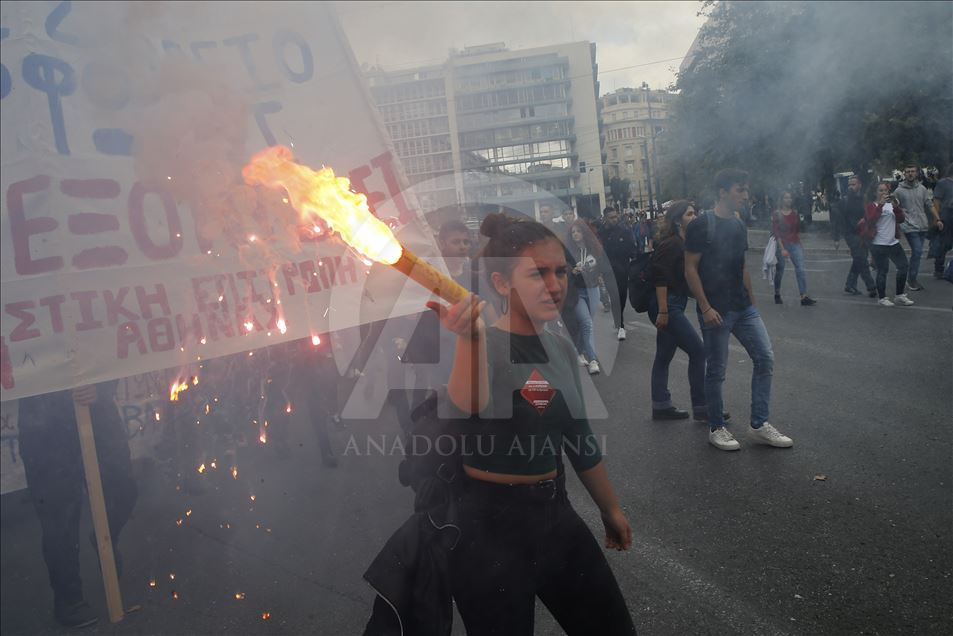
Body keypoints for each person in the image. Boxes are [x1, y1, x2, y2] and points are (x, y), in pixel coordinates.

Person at [421, 213, 637, 634]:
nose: (555, 285)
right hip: (486, 533)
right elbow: (466, 405)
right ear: (502, 284)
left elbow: (579, 438)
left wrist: (609, 509)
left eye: (559, 271)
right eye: (537, 274)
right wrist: (469, 339)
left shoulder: (558, 347)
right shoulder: (484, 342)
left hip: (555, 516)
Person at [684, 169, 794, 452]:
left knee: (765, 358)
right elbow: (690, 269)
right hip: (716, 310)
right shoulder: (701, 225)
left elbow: (742, 265)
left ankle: (758, 425)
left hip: (742, 306)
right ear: (722, 192)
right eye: (739, 190)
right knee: (717, 371)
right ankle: (716, 428)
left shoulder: (738, 224)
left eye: (745, 190)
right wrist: (705, 307)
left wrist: (752, 299)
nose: (745, 195)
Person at [17, 382, 138, 628]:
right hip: (45, 423)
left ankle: (106, 536)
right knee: (59, 514)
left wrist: (102, 389)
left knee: (124, 488)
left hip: (98, 411)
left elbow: (110, 350)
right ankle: (69, 600)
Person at [647, 201, 710, 421]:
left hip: (674, 302)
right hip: (667, 305)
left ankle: (661, 405)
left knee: (664, 355)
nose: (695, 217)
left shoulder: (686, 242)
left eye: (695, 213)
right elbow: (660, 277)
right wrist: (664, 311)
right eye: (690, 214)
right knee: (698, 351)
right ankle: (703, 408)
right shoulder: (672, 244)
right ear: (677, 220)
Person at [567, 219, 609, 375]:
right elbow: (564, 267)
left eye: (579, 231)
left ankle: (578, 351)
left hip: (593, 289)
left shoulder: (595, 249)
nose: (576, 234)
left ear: (585, 233)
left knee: (586, 324)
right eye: (573, 232)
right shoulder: (569, 250)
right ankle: (593, 360)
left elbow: (603, 266)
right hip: (577, 291)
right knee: (586, 322)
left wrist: (597, 274)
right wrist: (572, 270)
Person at [865, 181, 915, 307]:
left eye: (885, 190)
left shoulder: (891, 205)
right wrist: (880, 206)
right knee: (882, 271)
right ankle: (882, 298)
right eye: (880, 190)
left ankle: (899, 295)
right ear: (875, 192)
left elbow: (901, 219)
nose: (883, 193)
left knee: (903, 266)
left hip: (893, 242)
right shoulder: (872, 205)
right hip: (878, 244)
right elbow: (870, 221)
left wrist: (896, 207)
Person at [892, 164, 937, 291]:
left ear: (917, 173)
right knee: (917, 251)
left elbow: (929, 204)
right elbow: (894, 208)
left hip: (922, 225)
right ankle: (911, 280)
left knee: (918, 253)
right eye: (907, 171)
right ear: (904, 174)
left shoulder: (922, 188)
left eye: (912, 171)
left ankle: (911, 278)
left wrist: (937, 218)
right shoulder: (899, 191)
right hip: (909, 226)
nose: (910, 173)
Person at [833, 175, 877, 297]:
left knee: (859, 259)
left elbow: (870, 214)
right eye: (849, 185)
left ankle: (850, 284)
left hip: (864, 233)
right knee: (862, 259)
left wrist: (865, 220)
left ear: (859, 185)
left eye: (853, 184)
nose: (851, 187)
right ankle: (871, 286)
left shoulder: (864, 199)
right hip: (850, 234)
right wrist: (836, 238)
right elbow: (836, 220)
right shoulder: (844, 201)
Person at [771, 190, 817, 306]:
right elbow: (777, 233)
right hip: (782, 244)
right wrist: (782, 249)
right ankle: (777, 293)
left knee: (800, 269)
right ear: (781, 200)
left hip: (795, 244)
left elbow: (796, 231)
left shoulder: (795, 213)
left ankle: (803, 296)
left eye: (790, 198)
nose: (788, 200)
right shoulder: (777, 214)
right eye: (786, 198)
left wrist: (801, 246)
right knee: (780, 271)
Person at [598, 207, 637, 341]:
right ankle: (620, 325)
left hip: (622, 270)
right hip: (608, 271)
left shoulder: (624, 231)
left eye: (616, 216)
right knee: (614, 297)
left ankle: (618, 320)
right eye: (611, 217)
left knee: (621, 296)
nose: (615, 219)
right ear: (605, 218)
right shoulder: (601, 232)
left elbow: (633, 249)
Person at [930, 163, 953, 281]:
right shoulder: (943, 183)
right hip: (946, 217)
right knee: (944, 244)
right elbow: (936, 201)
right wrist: (936, 218)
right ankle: (939, 269)